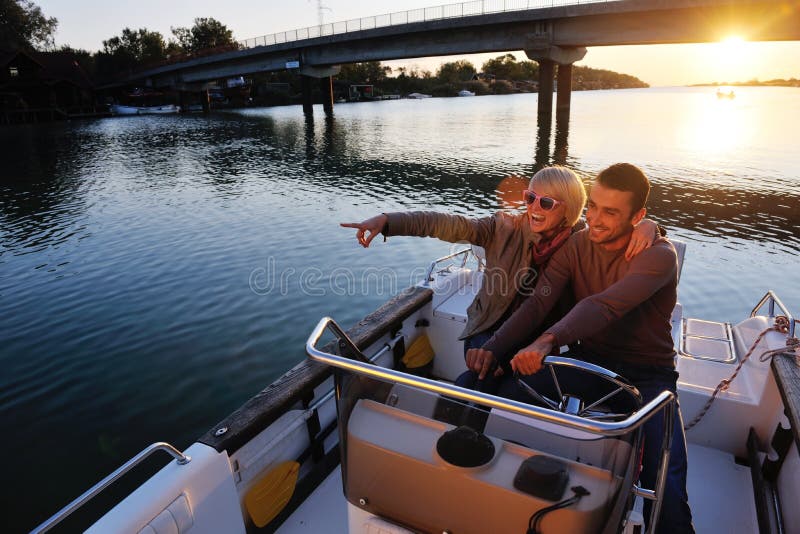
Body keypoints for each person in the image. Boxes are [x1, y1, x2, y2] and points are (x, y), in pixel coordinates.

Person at [468, 163, 693, 533]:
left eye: (611, 212)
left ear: (639, 217)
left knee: (666, 480)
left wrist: (546, 341)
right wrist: (494, 349)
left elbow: (604, 305)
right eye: (593, 207)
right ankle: (464, 472)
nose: (596, 220)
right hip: (589, 361)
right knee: (482, 380)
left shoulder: (659, 256)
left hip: (649, 377)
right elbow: (538, 303)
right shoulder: (577, 243)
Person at [341, 166, 660, 393]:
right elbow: (444, 223)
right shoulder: (502, 228)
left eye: (546, 203)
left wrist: (652, 227)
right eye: (530, 197)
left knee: (499, 378)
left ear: (569, 209)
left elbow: (623, 227)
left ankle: (472, 438)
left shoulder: (583, 241)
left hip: (543, 335)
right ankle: (466, 443)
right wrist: (387, 222)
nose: (534, 207)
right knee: (486, 372)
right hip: (489, 329)